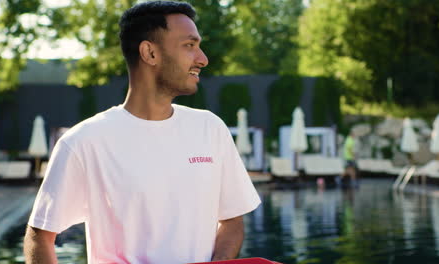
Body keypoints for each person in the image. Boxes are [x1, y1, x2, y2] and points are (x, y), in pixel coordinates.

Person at [23, 1, 261, 263]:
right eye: (189, 45)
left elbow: (232, 221)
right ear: (150, 53)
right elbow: (40, 236)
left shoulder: (210, 129)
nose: (202, 59)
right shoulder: (84, 142)